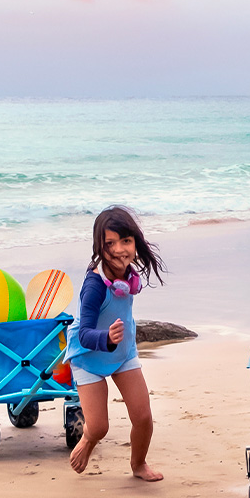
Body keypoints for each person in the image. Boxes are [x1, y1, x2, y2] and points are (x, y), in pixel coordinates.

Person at [66, 206, 167, 481]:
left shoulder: (129, 277)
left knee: (143, 417)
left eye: (125, 241)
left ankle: (138, 464)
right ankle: (87, 439)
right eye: (110, 243)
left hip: (122, 353)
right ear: (99, 246)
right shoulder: (95, 284)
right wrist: (106, 338)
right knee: (99, 427)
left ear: (135, 242)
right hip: (89, 357)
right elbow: (85, 332)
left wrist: (117, 342)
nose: (119, 249)